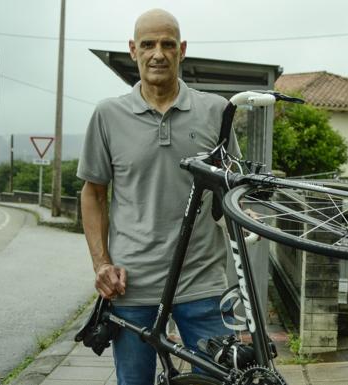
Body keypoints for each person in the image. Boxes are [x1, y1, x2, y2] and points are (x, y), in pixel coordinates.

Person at [77, 9, 239, 385]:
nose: (158, 54)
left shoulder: (216, 111)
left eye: (167, 44)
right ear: (133, 50)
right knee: (134, 381)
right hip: (132, 283)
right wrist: (101, 264)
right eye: (148, 44)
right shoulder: (108, 114)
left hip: (202, 279)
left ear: (181, 50)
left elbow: (231, 187)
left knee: (216, 379)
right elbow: (94, 193)